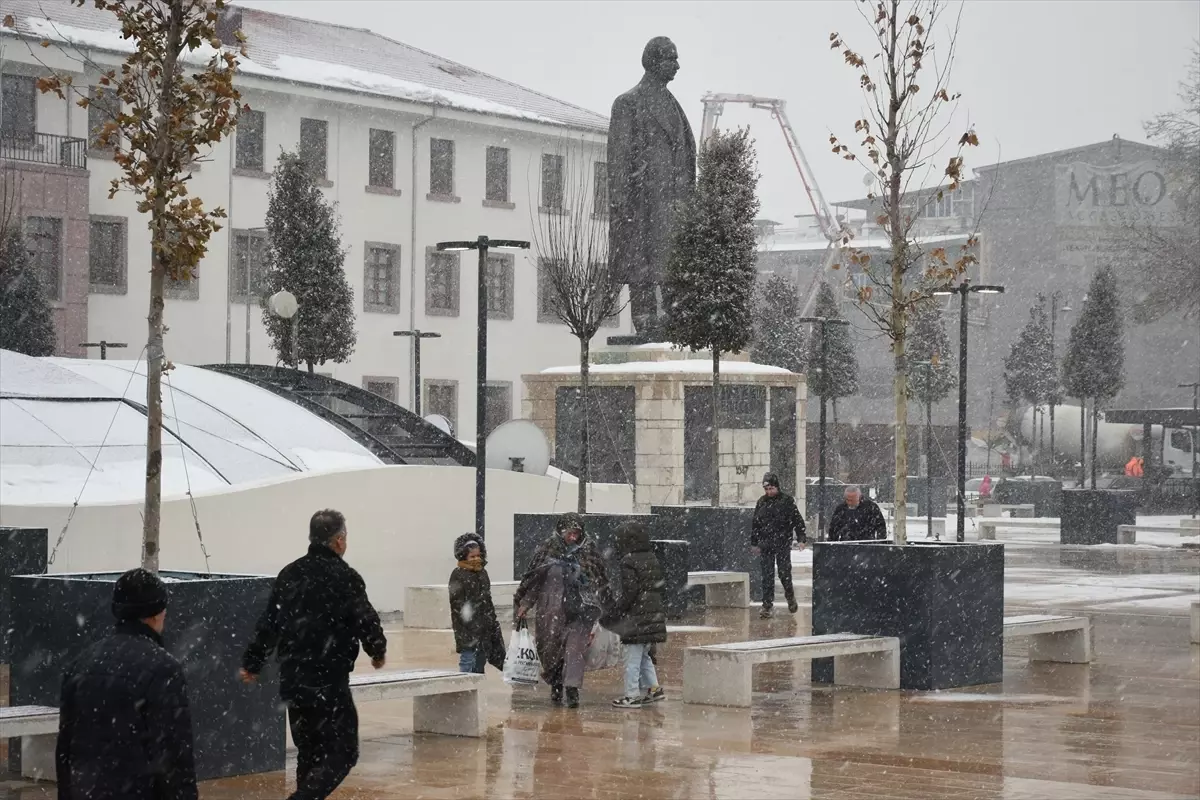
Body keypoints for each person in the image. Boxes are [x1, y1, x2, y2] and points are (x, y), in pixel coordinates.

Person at [240, 509, 387, 800]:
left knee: (309, 754)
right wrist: (377, 650)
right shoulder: (346, 577)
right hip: (329, 681)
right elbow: (365, 619)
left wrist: (253, 661)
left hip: (293, 680)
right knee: (343, 753)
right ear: (339, 541)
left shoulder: (290, 574)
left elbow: (269, 623)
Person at [56, 568, 198, 800]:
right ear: (156, 614)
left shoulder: (81, 662)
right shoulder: (163, 668)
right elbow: (174, 757)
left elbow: (65, 748)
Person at [607, 36, 697, 337]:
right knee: (642, 267)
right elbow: (618, 160)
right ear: (654, 61)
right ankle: (644, 320)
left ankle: (673, 323)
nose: (677, 65)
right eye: (671, 59)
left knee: (672, 267)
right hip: (643, 205)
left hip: (673, 204)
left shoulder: (674, 105)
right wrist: (622, 204)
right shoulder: (629, 102)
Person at [514, 512, 611, 709]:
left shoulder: (589, 551)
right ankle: (556, 683)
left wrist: (584, 578)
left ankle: (572, 689)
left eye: (576, 533)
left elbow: (599, 581)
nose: (573, 537)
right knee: (550, 650)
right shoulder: (547, 550)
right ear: (560, 532)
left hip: (581, 613)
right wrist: (525, 604)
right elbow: (534, 581)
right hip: (550, 612)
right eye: (569, 532)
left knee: (574, 651)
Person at [604, 521, 667, 708]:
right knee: (644, 654)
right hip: (652, 614)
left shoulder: (628, 561)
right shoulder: (651, 557)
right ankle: (654, 688)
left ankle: (631, 696)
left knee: (631, 658)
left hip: (637, 617)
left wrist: (618, 610)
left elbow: (630, 591)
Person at [750, 472, 807, 618]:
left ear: (777, 487)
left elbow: (797, 521)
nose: (769, 492)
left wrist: (801, 538)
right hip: (766, 544)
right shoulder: (761, 502)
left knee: (784, 573)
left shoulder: (787, 501)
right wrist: (754, 543)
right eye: (767, 489)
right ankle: (767, 605)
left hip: (782, 543)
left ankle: (790, 596)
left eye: (771, 489)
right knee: (767, 576)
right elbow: (755, 524)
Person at [449, 532, 506, 674]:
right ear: (464, 556)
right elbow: (457, 604)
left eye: (478, 556)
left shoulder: (482, 573)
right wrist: (470, 623)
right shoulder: (458, 574)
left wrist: (491, 621)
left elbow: (487, 600)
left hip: (484, 627)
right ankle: (465, 686)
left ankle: (475, 685)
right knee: (468, 658)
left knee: (481, 658)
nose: (476, 559)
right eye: (472, 556)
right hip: (468, 629)